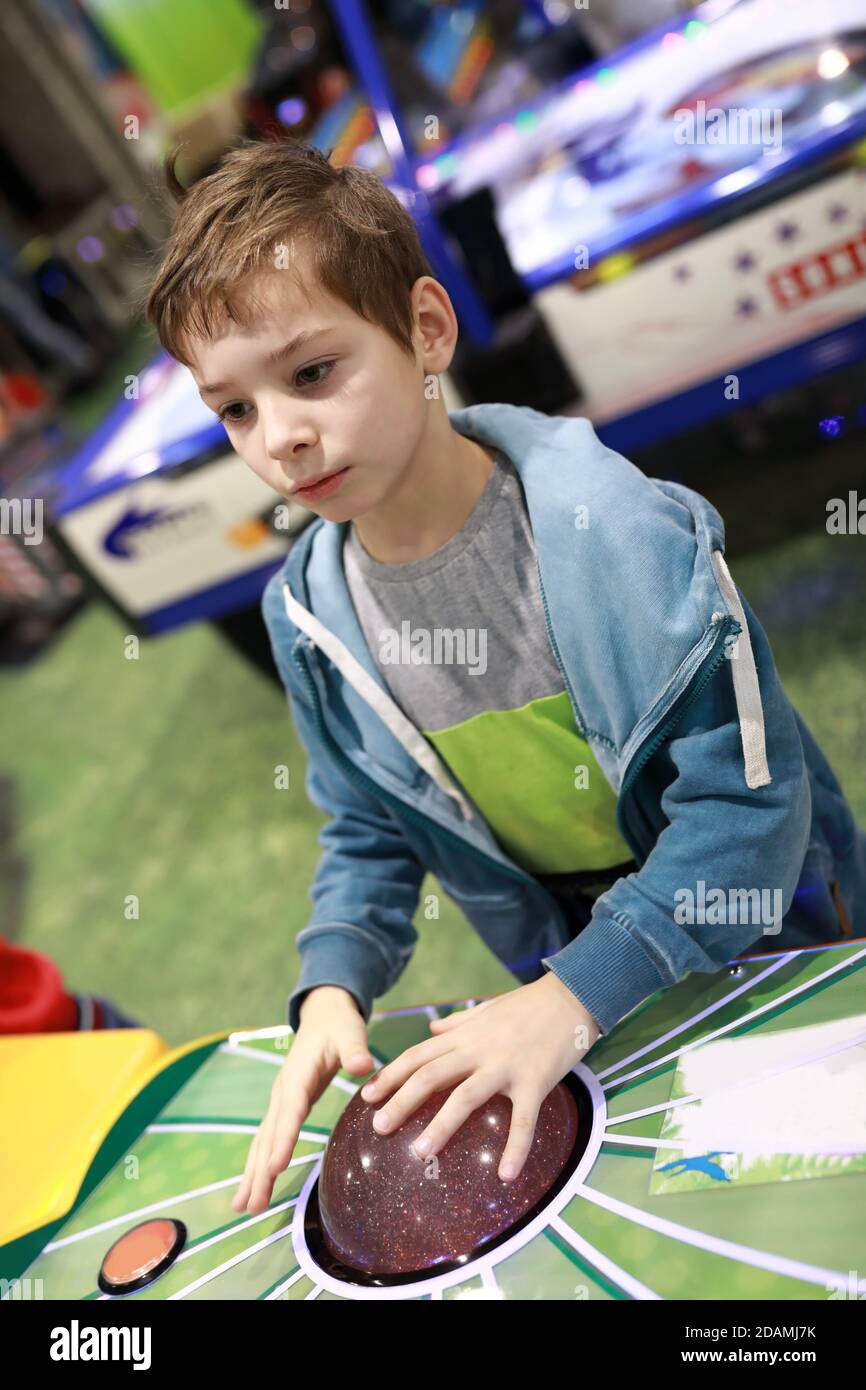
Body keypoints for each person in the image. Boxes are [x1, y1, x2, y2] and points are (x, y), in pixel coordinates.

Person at [144, 137, 866, 1217]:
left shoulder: (622, 532)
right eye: (234, 410)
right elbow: (367, 830)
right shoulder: (305, 620)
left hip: (770, 953)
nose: (281, 439)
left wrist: (569, 998)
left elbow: (745, 814)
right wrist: (334, 980)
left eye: (309, 372)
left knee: (800, 1223)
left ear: (425, 330)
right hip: (577, 1009)